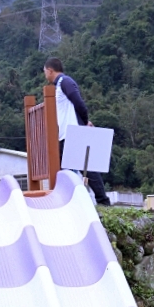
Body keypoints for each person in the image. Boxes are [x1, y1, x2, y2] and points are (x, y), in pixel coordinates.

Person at [42, 57, 110, 205]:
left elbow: (79, 102)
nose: (44, 74)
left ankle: (103, 201)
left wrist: (85, 122)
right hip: (63, 135)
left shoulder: (65, 82)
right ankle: (68, 201)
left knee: (87, 167)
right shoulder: (57, 87)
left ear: (50, 70)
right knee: (62, 169)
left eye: (44, 71)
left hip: (72, 132)